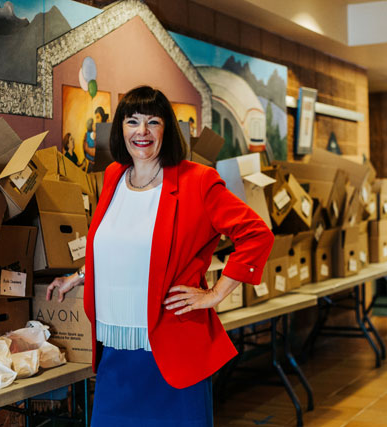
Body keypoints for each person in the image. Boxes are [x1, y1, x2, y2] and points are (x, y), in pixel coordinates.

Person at [46, 85, 273, 426]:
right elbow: (117, 245)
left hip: (171, 347)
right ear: (120, 128)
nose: (142, 132)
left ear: (167, 130)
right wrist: (77, 277)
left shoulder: (197, 181)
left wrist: (214, 294)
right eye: (132, 121)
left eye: (153, 122)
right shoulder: (113, 177)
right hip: (116, 349)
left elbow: (257, 234)